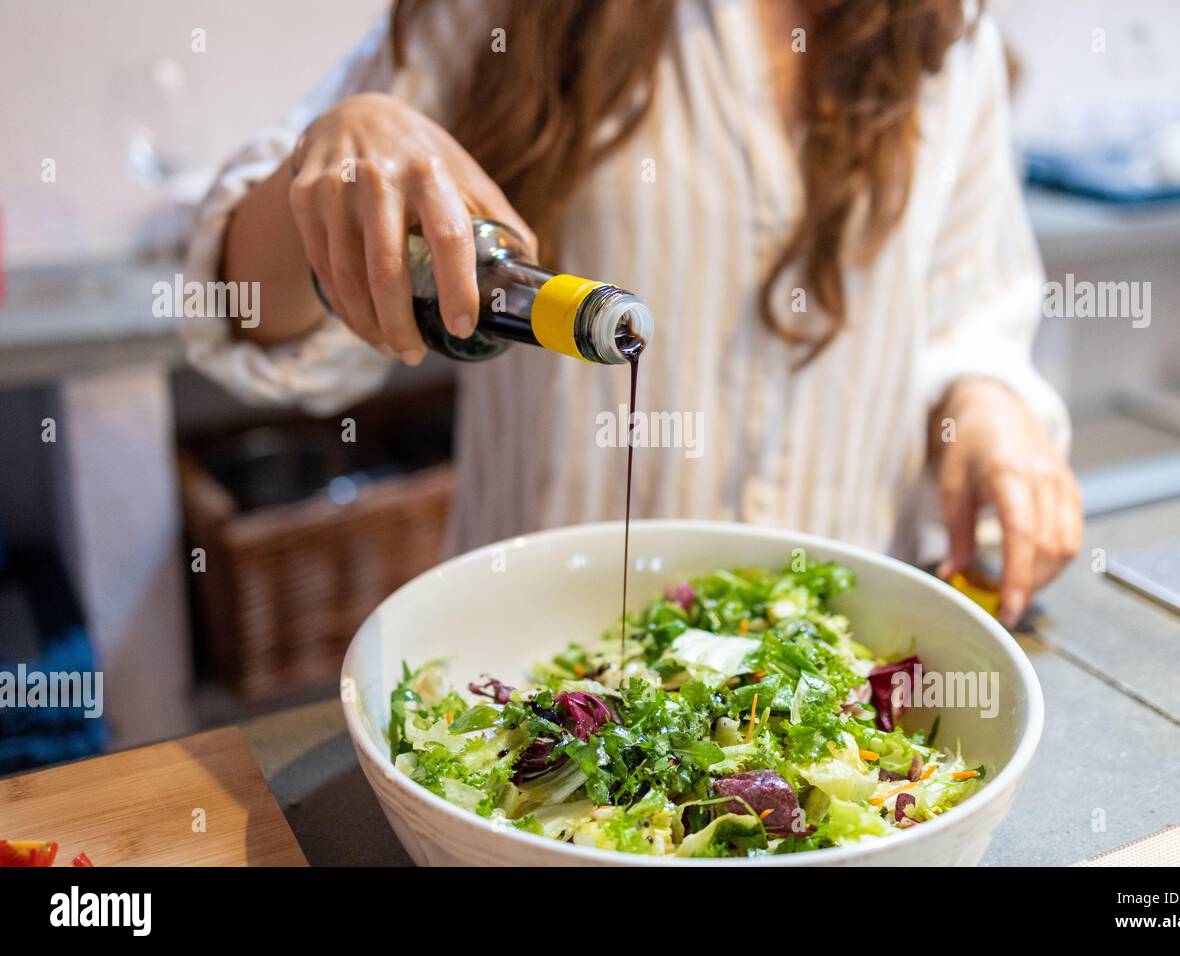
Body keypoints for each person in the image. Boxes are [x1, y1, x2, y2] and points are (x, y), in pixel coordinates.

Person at [183, 0, 1082, 627]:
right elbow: (253, 316)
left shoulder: (944, 34)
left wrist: (988, 406)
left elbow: (966, 316)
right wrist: (346, 138)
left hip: (837, 674)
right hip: (541, 682)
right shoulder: (511, 14)